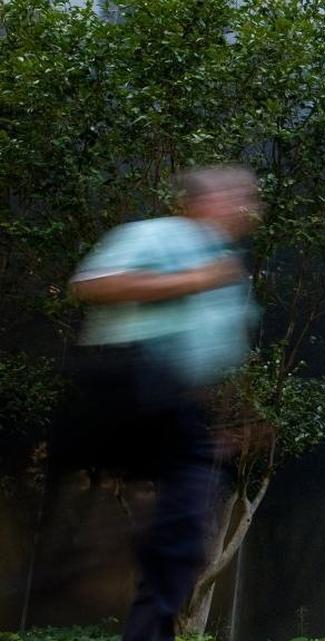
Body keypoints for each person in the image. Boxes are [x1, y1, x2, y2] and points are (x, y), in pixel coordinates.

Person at [53, 165, 261, 641]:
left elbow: (208, 357)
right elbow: (93, 284)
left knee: (183, 529)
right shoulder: (155, 236)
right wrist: (191, 280)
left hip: (177, 404)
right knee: (155, 522)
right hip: (127, 379)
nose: (246, 207)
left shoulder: (229, 270)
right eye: (234, 196)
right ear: (198, 202)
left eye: (248, 197)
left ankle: (148, 631)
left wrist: (214, 428)